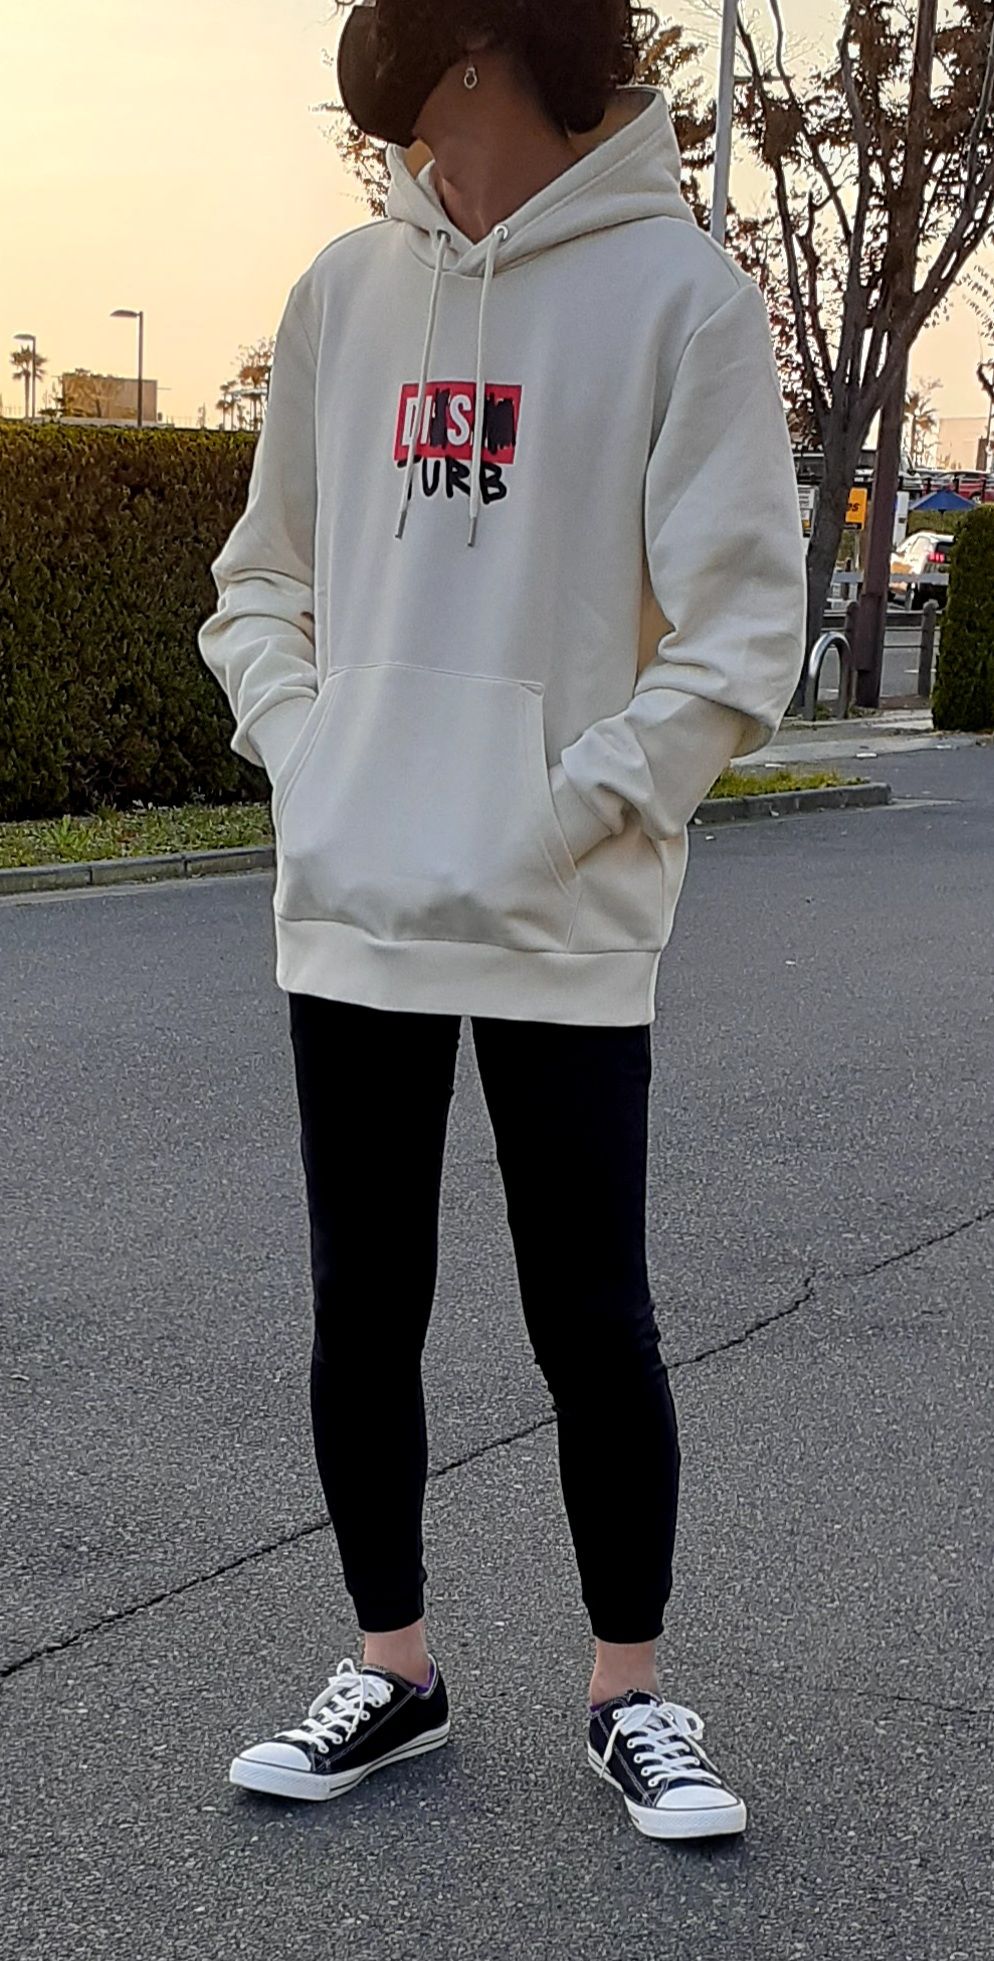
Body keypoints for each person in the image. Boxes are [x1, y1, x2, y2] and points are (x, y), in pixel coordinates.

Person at [198, 0, 806, 1843]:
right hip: (355, 901)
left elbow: (739, 632)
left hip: (560, 909)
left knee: (590, 1314)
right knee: (361, 1306)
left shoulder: (680, 301)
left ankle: (631, 1692)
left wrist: (566, 807)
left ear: (480, 50)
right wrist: (319, 760)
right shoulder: (343, 292)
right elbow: (259, 582)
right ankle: (393, 1668)